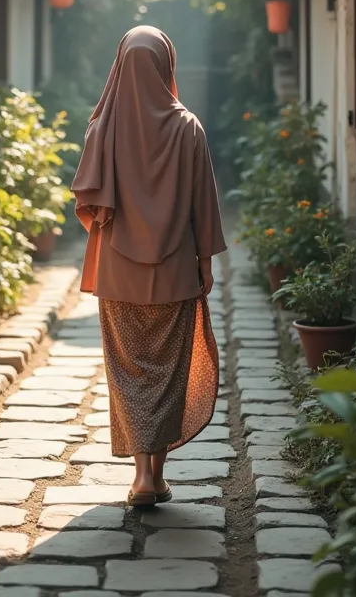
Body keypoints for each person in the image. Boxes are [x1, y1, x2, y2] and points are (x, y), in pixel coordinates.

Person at [71, 25, 226, 506]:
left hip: (118, 275)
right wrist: (205, 265)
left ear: (120, 66)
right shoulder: (188, 128)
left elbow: (90, 205)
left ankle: (142, 475)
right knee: (169, 371)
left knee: (129, 372)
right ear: (166, 66)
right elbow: (204, 205)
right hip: (176, 271)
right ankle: (155, 474)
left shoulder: (103, 127)